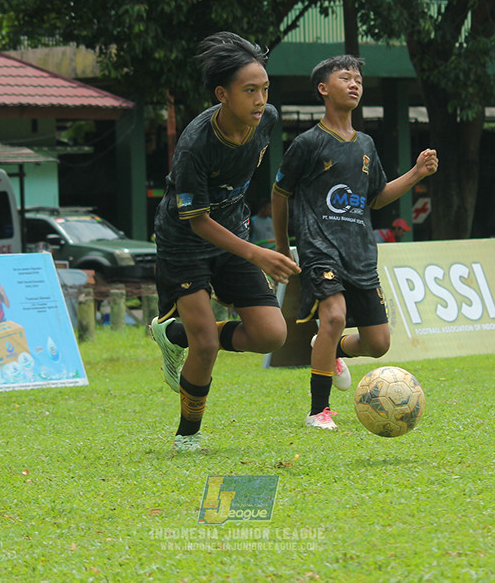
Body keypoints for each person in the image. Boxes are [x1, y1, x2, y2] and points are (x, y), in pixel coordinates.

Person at [147, 32, 300, 454]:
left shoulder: (265, 120)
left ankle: (175, 334)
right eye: (249, 90)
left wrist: (251, 243)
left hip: (234, 231)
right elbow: (196, 222)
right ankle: (187, 436)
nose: (260, 99)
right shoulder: (195, 145)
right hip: (185, 242)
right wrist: (259, 254)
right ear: (222, 94)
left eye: (264, 89)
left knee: (271, 335)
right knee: (208, 344)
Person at [272, 54, 438, 431]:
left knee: (378, 343)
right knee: (333, 315)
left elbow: (376, 197)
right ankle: (319, 410)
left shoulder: (365, 144)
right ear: (323, 89)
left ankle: (330, 349)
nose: (355, 84)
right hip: (319, 247)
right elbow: (279, 193)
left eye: (358, 80)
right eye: (345, 78)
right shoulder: (308, 143)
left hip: (360, 252)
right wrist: (283, 247)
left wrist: (416, 172)